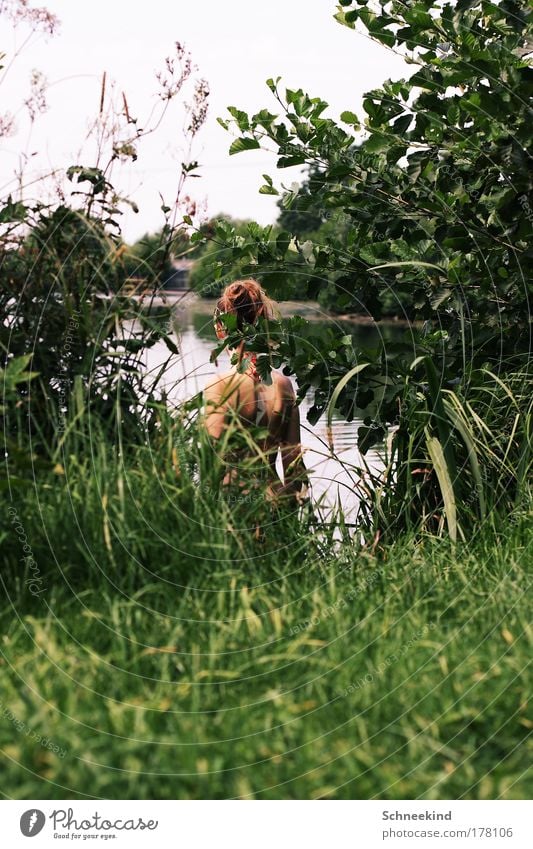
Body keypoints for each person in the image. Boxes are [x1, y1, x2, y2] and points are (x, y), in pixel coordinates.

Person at [203, 279, 308, 512]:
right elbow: (294, 470)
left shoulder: (218, 387)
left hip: (233, 506)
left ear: (220, 329)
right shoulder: (283, 386)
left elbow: (212, 466)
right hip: (274, 502)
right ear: (263, 324)